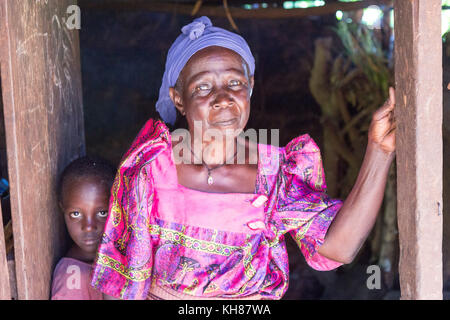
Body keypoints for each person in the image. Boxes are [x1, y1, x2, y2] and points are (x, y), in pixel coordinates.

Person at [91, 16, 396, 300]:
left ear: (250, 87)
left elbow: (337, 247)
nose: (223, 98)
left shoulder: (276, 173)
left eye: (235, 83)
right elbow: (122, 280)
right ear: (178, 99)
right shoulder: (150, 167)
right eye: (203, 86)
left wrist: (379, 152)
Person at [51, 156, 116, 300]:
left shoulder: (133, 258)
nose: (88, 227)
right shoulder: (72, 276)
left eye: (102, 213)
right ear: (63, 209)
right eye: (76, 214)